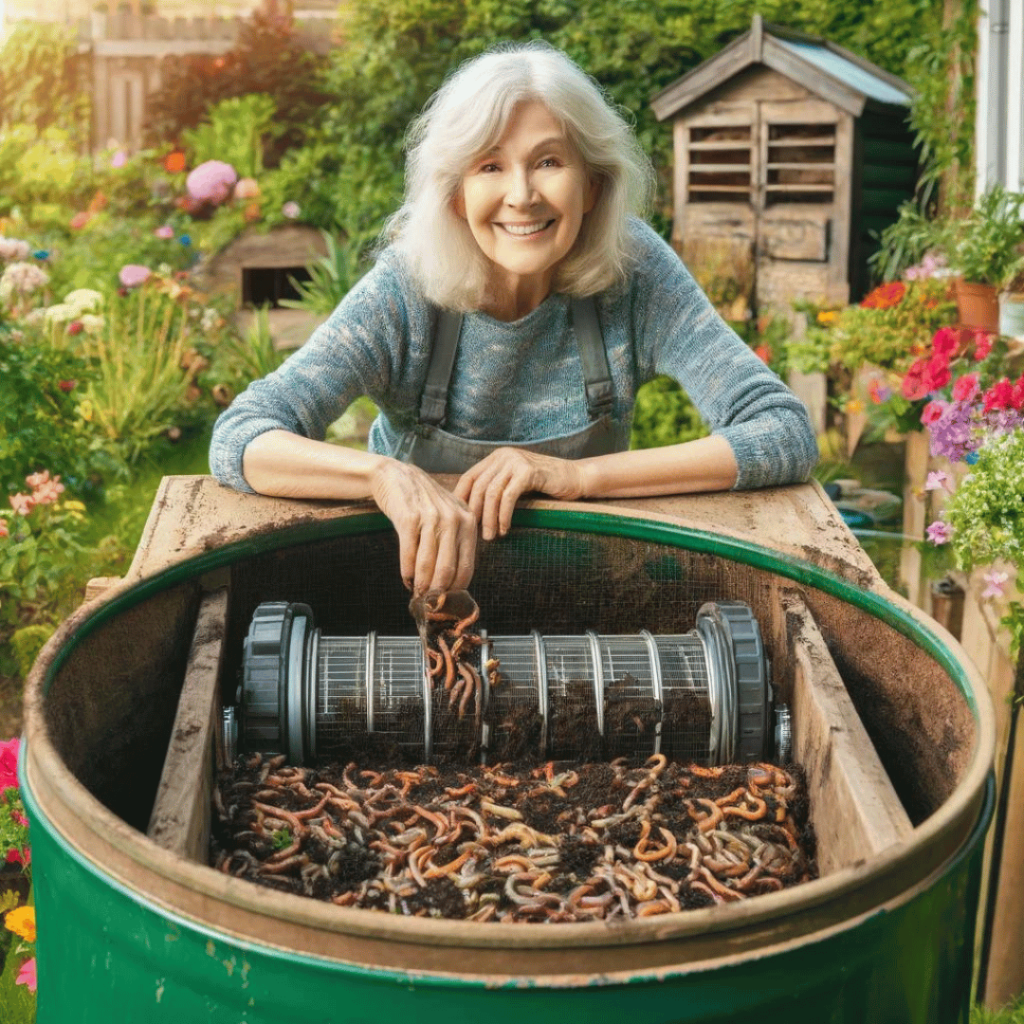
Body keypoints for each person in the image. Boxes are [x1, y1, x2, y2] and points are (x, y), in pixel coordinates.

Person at [209, 41, 817, 597]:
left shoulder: (634, 274)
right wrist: (383, 477)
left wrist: (578, 477)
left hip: (586, 591)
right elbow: (242, 437)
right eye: (490, 166)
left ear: (594, 185)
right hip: (412, 600)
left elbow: (782, 433)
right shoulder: (406, 288)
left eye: (549, 161)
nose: (522, 195)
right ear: (455, 193)